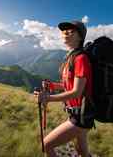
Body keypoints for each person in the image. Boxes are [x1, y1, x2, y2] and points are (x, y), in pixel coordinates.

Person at [34, 21, 94, 157]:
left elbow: (77, 92)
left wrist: (48, 98)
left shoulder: (81, 58)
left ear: (80, 37)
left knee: (46, 145)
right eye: (63, 31)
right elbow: (72, 86)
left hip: (80, 117)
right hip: (79, 114)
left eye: (70, 31)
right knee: (82, 152)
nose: (65, 34)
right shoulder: (71, 58)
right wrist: (54, 86)